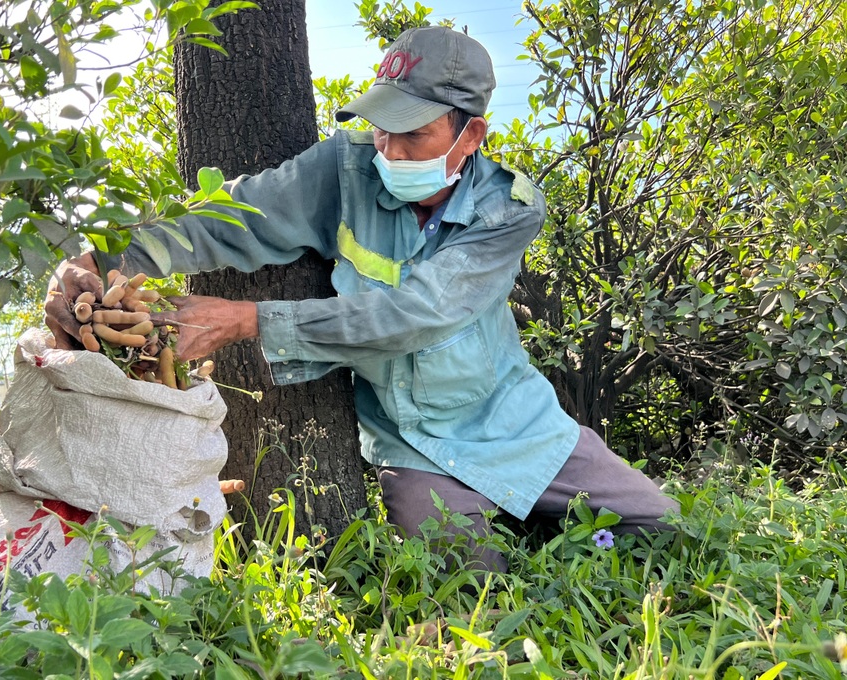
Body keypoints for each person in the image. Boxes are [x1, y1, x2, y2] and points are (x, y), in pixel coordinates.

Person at [46, 26, 678, 572]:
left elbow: (420, 313)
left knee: (665, 530)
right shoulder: (345, 167)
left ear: (471, 134)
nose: (390, 151)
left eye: (414, 134)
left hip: (510, 419)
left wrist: (249, 320)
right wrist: (99, 257)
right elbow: (231, 217)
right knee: (466, 580)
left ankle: (539, 519)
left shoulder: (507, 210)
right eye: (382, 128)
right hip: (408, 438)